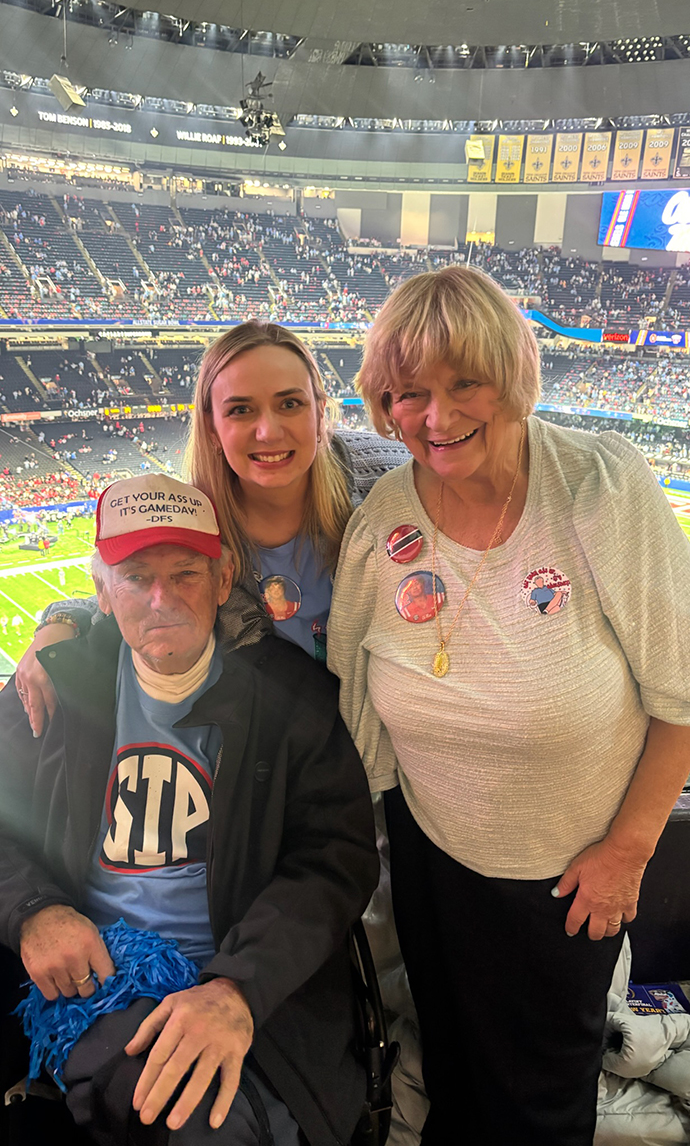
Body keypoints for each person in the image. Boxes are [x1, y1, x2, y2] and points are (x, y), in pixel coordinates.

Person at [328, 266, 690, 1146]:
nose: (437, 416)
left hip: (567, 874)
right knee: (451, 1077)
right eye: (409, 392)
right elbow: (353, 696)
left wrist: (629, 851)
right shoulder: (383, 517)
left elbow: (682, 695)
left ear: (512, 377)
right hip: (429, 856)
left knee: (541, 1111)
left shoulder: (600, 484)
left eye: (465, 383)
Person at [0, 472, 378, 1146]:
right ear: (101, 591)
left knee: (223, 1119)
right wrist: (34, 910)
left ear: (223, 576)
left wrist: (237, 986)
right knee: (182, 1111)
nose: (161, 599)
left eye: (185, 574)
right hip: (100, 972)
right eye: (135, 577)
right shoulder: (51, 687)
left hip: (253, 973)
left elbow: (333, 860)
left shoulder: (292, 699)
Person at [15, 321, 408, 734]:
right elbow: (139, 591)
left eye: (290, 403)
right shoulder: (194, 522)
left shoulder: (385, 475)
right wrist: (62, 622)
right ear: (212, 427)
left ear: (320, 411)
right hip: (305, 751)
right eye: (241, 410)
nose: (268, 432)